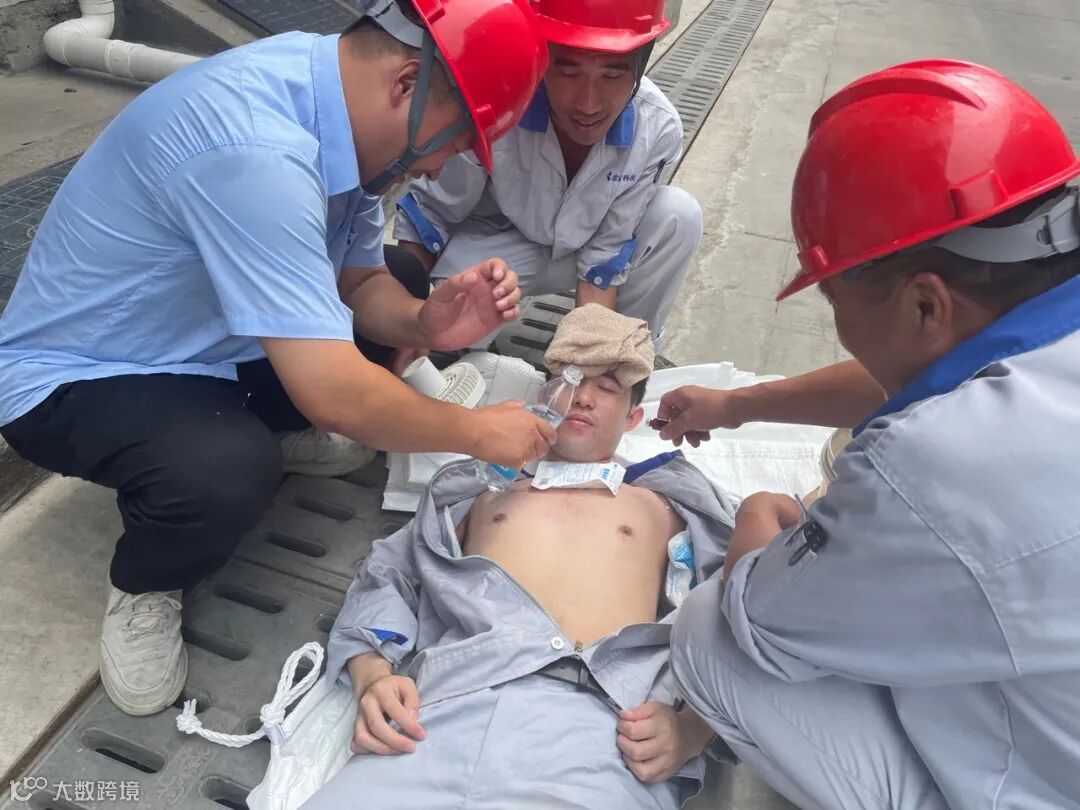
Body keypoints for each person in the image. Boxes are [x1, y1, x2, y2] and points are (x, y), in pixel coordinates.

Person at [0, 0, 555, 718]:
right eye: (454, 142)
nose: (440, 165)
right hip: (84, 372)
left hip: (205, 339)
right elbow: (334, 392)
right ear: (405, 84)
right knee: (229, 469)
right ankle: (147, 582)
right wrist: (479, 433)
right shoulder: (256, 150)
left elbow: (360, 283)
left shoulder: (338, 109)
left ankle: (265, 430)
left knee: (405, 275)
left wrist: (428, 322)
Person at [658, 60, 1080, 809]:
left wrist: (759, 517)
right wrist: (736, 405)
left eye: (833, 302)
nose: (840, 327)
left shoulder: (934, 464)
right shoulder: (1031, 334)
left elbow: (758, 624)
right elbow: (943, 369)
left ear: (925, 304)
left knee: (708, 631)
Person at [309, 305, 734, 810]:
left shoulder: (667, 505)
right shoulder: (476, 491)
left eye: (607, 387)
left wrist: (695, 727)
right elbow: (390, 574)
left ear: (633, 418)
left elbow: (741, 615)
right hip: (442, 708)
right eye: (571, 379)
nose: (583, 396)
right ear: (543, 396)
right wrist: (373, 673)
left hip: (602, 727)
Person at [393, 0, 702, 345]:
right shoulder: (499, 100)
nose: (588, 104)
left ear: (639, 68)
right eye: (568, 73)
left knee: (678, 215)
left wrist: (588, 353)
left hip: (584, 247)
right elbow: (430, 214)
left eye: (612, 76)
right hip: (500, 243)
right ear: (541, 58)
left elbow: (606, 255)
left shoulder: (657, 128)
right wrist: (407, 323)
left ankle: (629, 351)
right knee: (454, 329)